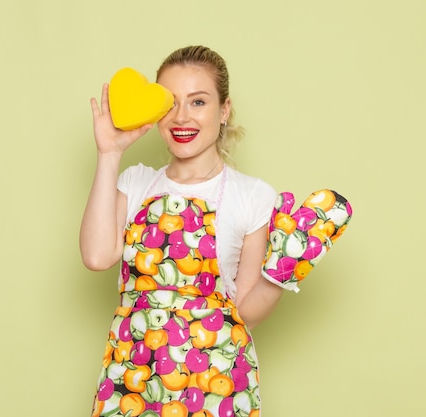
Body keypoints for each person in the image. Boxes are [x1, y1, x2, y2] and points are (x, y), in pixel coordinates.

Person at [80, 45, 284, 417]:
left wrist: (287, 267)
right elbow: (96, 256)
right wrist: (109, 154)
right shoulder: (136, 182)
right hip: (135, 374)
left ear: (224, 110)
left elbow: (247, 313)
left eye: (198, 102)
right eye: (170, 102)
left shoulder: (252, 196)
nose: (181, 117)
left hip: (216, 380)